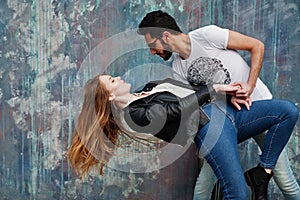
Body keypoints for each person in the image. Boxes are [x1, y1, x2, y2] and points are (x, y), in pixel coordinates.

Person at [137, 10, 300, 200]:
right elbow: (200, 104)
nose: (152, 51)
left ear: (165, 35)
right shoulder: (178, 70)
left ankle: (261, 174)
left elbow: (257, 46)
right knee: (202, 190)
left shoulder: (207, 36)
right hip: (228, 123)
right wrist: (230, 98)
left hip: (261, 111)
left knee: (288, 185)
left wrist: (249, 86)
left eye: (152, 45)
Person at [68, 74, 298, 200]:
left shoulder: (148, 87)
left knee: (287, 111)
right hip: (210, 128)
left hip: (227, 112)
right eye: (112, 80)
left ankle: (262, 172)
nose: (117, 77)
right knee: (236, 193)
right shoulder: (134, 114)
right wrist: (213, 90)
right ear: (109, 96)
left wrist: (226, 96)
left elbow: (189, 89)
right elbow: (175, 109)